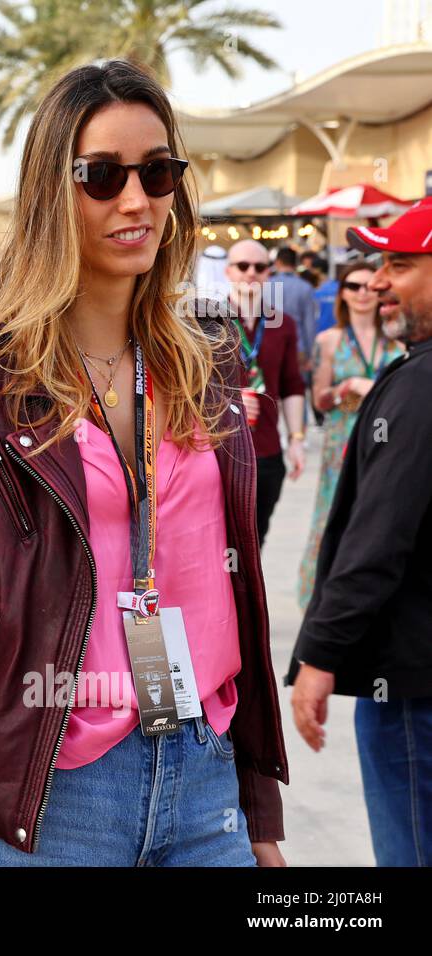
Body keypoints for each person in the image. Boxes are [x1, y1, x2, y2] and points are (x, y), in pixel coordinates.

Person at [0, 60, 287, 868]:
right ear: (50, 192)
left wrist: (261, 814)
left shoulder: (208, 355)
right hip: (57, 796)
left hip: (204, 778)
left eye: (158, 171)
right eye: (101, 176)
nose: (135, 201)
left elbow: (233, 592)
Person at [287, 197, 432, 867]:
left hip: (411, 689)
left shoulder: (417, 389)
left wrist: (318, 655)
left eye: (399, 265)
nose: (377, 283)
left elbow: (377, 541)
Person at [296, 261, 401, 610]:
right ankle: (321, 599)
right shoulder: (329, 340)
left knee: (380, 516)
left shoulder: (397, 341)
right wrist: (342, 390)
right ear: (342, 293)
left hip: (387, 441)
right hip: (342, 440)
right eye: (353, 287)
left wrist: (367, 386)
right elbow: (319, 400)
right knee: (332, 515)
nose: (362, 293)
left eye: (369, 286)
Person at [225, 239, 307, 546]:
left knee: (255, 542)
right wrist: (230, 404)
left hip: (267, 453)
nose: (251, 273)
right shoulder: (204, 322)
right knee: (221, 544)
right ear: (228, 271)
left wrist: (297, 439)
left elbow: (292, 385)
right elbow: (189, 389)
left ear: (268, 274)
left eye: (259, 267)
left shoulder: (283, 324)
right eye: (242, 266)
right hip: (220, 452)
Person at [268, 245, 319, 376]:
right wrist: (311, 354)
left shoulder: (265, 285)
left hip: (271, 345)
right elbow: (309, 323)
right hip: (298, 347)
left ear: (278, 262)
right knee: (296, 389)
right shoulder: (305, 287)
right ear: (295, 264)